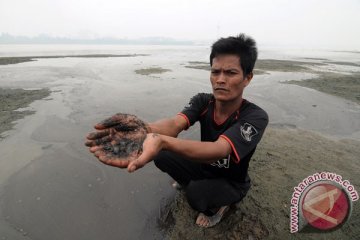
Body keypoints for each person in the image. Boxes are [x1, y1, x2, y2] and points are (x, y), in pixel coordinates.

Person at [85, 33, 269, 228]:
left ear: (247, 78)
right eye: (215, 72)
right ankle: (192, 181)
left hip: (232, 181)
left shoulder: (255, 117)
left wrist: (162, 141)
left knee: (196, 194)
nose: (220, 80)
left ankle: (219, 207)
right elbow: (174, 124)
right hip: (205, 167)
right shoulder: (203, 101)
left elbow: (219, 150)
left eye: (230, 73)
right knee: (161, 155)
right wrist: (145, 129)